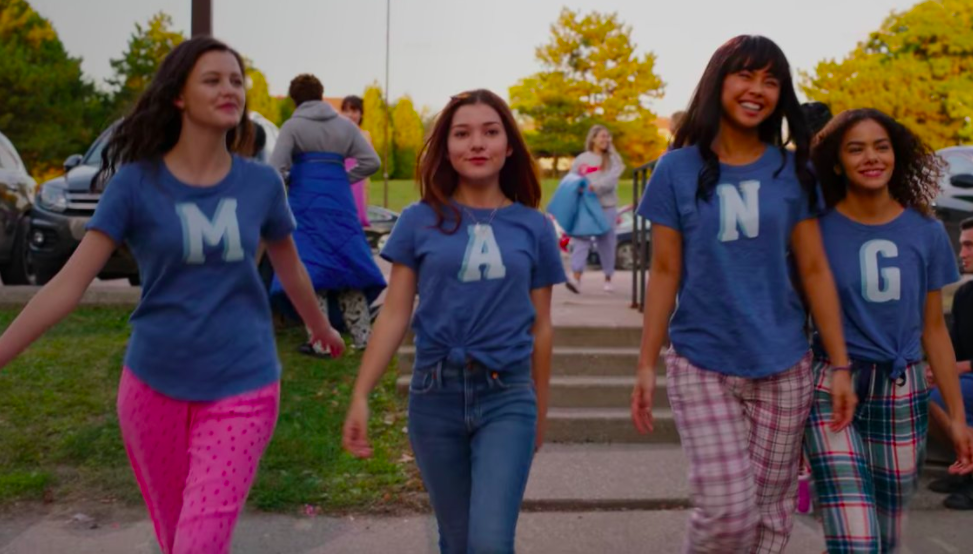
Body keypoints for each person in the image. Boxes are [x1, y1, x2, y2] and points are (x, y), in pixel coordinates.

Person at [0, 37, 344, 554]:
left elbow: (289, 269)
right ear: (178, 97)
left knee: (198, 543)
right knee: (176, 537)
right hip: (152, 388)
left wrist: (320, 328)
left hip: (243, 385)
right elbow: (69, 285)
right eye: (213, 79)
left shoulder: (261, 185)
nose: (230, 89)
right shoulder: (136, 185)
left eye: (236, 80)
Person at [630, 35, 851, 553]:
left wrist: (839, 365)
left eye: (770, 81)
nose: (757, 90)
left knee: (772, 516)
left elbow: (816, 270)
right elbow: (663, 271)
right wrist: (645, 362)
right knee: (728, 512)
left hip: (784, 365)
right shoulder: (676, 170)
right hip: (702, 361)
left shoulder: (793, 172)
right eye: (745, 75)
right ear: (718, 82)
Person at [342, 89, 565, 554]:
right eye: (462, 134)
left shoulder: (535, 227)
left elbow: (541, 326)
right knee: (457, 540)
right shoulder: (419, 220)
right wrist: (362, 393)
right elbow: (396, 312)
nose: (476, 143)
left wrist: (539, 409)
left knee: (489, 542)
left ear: (508, 146)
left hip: (508, 397)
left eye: (490, 131)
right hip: (434, 396)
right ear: (446, 147)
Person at [804, 109, 973, 551]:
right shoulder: (813, 231)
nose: (871, 158)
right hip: (832, 387)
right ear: (837, 162)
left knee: (882, 537)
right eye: (855, 149)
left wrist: (956, 418)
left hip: (902, 392)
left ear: (896, 154)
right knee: (856, 538)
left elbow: (934, 330)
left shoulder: (927, 232)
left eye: (881, 147)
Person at [268, 75, 384, 354]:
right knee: (348, 265)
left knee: (311, 268)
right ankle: (364, 336)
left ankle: (320, 342)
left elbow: (274, 169)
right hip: (339, 203)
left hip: (306, 205)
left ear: (295, 98)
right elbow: (373, 162)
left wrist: (290, 178)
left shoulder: (293, 126)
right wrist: (343, 177)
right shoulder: (344, 126)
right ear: (321, 94)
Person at [927, 216, 973, 509]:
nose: (963, 253)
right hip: (967, 379)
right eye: (962, 246)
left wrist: (965, 367)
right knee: (922, 390)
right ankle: (965, 467)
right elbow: (952, 347)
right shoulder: (965, 294)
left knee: (936, 396)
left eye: (970, 246)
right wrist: (938, 368)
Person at [565, 124, 624, 293]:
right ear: (593, 139)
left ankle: (608, 278)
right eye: (602, 136)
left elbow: (612, 179)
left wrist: (594, 187)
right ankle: (576, 278)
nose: (605, 139)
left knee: (606, 243)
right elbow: (572, 178)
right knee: (581, 240)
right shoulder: (582, 159)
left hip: (606, 207)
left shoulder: (613, 159)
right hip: (586, 208)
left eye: (608, 136)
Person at [340, 95, 373, 228]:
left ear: (361, 113)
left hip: (359, 185)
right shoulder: (337, 135)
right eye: (346, 111)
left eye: (354, 111)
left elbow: (369, 166)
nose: (350, 115)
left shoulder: (365, 135)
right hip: (342, 183)